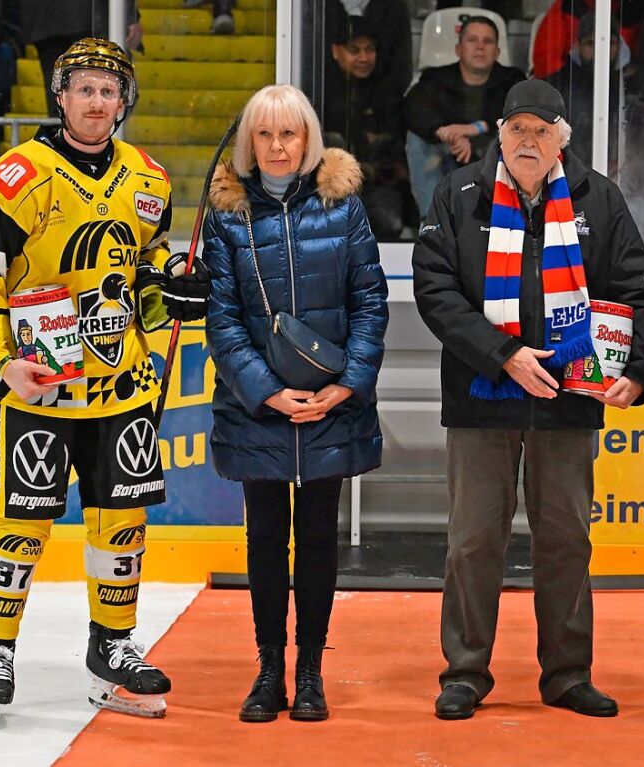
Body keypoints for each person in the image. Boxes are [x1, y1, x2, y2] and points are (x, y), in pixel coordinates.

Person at [0, 38, 210, 725]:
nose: (98, 102)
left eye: (110, 90)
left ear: (125, 102)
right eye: (85, 88)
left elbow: (142, 277)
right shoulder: (14, 175)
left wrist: (174, 291)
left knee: (121, 523)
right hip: (39, 388)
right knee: (22, 523)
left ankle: (113, 644)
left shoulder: (148, 181)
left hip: (121, 388)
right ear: (60, 96)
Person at [413, 79, 644, 720]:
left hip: (568, 402)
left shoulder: (597, 198)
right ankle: (465, 671)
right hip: (480, 395)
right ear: (499, 133)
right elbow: (436, 290)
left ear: (560, 141)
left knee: (567, 541)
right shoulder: (459, 194)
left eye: (541, 130)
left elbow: (635, 288)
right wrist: (504, 356)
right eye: (517, 129)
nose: (528, 140)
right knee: (472, 542)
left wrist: (636, 368)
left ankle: (568, 674)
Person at [203, 84, 388, 723]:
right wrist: (269, 391)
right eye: (265, 134)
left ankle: (311, 670)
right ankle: (269, 668)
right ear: (249, 142)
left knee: (316, 539)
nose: (278, 146)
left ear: (308, 139)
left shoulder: (345, 208)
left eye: (290, 133)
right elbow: (222, 322)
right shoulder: (225, 216)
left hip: (333, 404)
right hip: (258, 407)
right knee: (264, 541)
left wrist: (346, 385)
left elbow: (369, 303)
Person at [404, 15, 525, 218]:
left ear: (497, 51)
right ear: (458, 49)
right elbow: (412, 109)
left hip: (492, 153)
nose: (480, 47)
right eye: (472, 40)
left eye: (487, 41)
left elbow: (521, 111)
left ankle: (500, 218)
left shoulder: (512, 79)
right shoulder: (435, 78)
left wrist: (476, 128)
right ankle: (432, 220)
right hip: (446, 152)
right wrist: (443, 132)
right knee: (417, 140)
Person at [323, 16, 417, 239]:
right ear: (336, 51)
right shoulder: (320, 88)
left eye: (369, 50)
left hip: (381, 185)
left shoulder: (388, 90)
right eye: (355, 50)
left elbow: (393, 148)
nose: (364, 57)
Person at [19, 1, 144, 117]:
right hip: (87, 18)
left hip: (45, 22)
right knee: (118, 91)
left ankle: (69, 136)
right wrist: (130, 17)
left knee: (60, 97)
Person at [546, 12, 630, 167]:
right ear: (578, 45)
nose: (601, 51)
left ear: (619, 45)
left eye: (609, 43)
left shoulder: (629, 85)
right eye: (591, 43)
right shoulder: (556, 84)